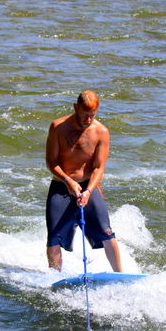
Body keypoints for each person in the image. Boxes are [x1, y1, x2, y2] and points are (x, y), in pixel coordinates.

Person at [45, 90, 122, 272]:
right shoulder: (58, 127)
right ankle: (55, 278)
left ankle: (121, 275)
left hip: (89, 187)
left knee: (107, 233)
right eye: (84, 115)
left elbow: (99, 168)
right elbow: (51, 162)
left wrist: (88, 191)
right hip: (61, 187)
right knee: (54, 238)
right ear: (75, 108)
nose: (88, 119)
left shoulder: (101, 132)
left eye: (92, 115)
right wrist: (68, 181)